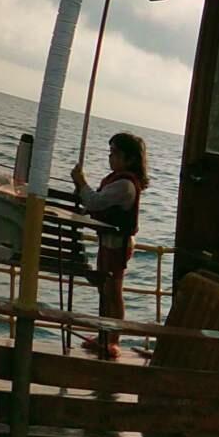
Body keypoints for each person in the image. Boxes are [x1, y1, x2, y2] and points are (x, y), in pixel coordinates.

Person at [71, 132, 147, 359]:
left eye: (115, 153)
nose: (110, 158)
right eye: (110, 153)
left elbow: (95, 200)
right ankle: (104, 334)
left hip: (117, 244)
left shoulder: (124, 185)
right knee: (105, 290)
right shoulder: (117, 181)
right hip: (109, 242)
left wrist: (82, 183)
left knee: (113, 291)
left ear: (129, 159)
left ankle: (112, 339)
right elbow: (98, 205)